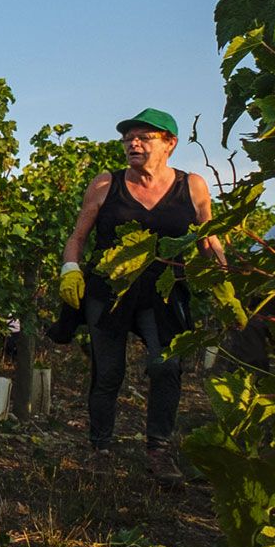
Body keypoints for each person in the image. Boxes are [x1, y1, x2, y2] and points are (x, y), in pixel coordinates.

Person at [57, 108, 223, 475]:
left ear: (169, 144)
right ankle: (99, 451)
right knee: (108, 372)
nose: (133, 143)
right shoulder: (106, 184)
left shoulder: (192, 186)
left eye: (144, 137)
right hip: (109, 293)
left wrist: (224, 278)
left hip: (165, 293)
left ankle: (158, 450)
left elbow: (207, 239)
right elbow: (78, 237)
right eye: (128, 137)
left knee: (166, 367)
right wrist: (71, 269)